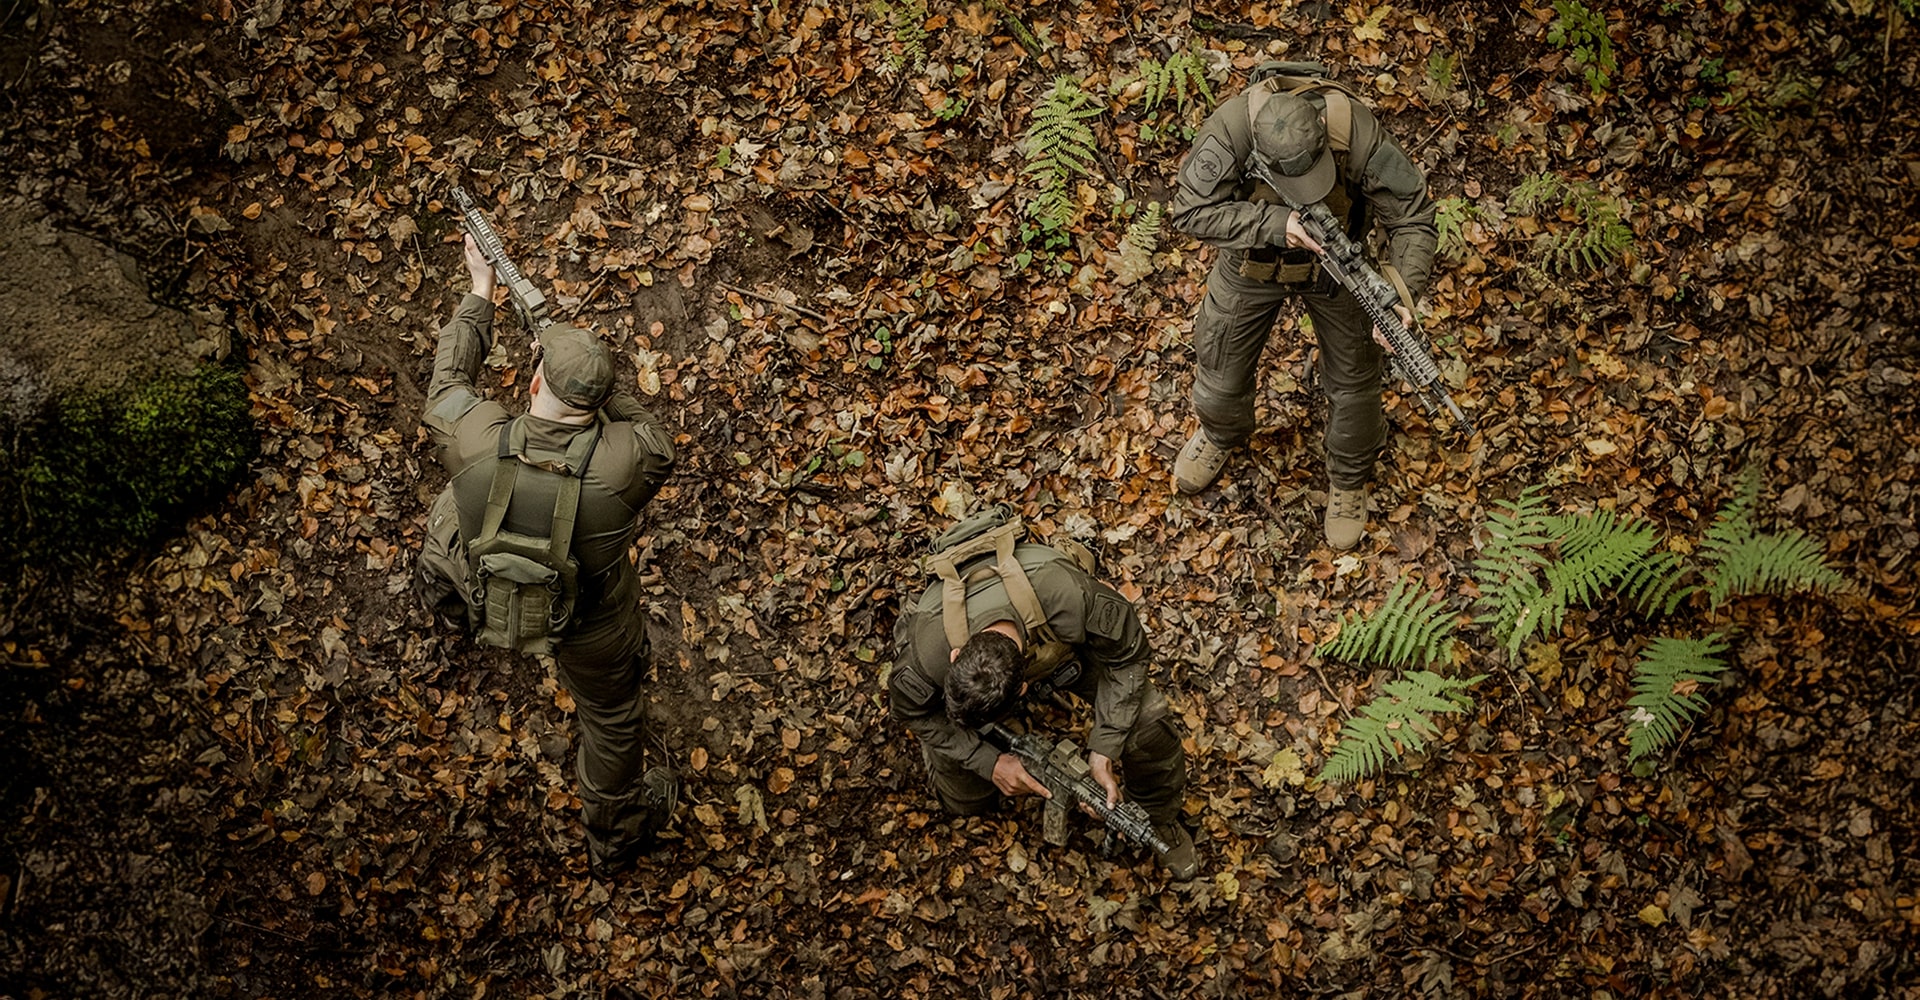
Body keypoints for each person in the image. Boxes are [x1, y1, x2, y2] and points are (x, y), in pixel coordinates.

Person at [414, 235, 678, 878]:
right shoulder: (630, 463)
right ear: (598, 404)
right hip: (593, 622)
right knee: (614, 718)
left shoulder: (474, 438)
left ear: (532, 381)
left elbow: (447, 382)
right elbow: (647, 429)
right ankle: (614, 841)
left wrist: (482, 294)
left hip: (495, 588)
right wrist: (598, 383)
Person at [1169, 65, 1439, 550]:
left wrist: (1400, 291)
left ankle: (1350, 479)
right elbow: (1189, 211)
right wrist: (1276, 224)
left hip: (1340, 265)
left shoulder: (1352, 130)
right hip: (1251, 260)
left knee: (1356, 379)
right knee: (1221, 363)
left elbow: (1413, 216)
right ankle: (1218, 433)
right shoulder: (1231, 130)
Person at [888, 517, 1198, 881]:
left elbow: (1128, 655)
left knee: (1147, 720)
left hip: (1064, 651)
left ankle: (1158, 816)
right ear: (954, 659)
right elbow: (913, 713)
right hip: (976, 641)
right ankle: (969, 796)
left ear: (1023, 689)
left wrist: (1104, 749)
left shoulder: (1068, 596)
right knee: (965, 797)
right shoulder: (927, 653)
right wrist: (988, 762)